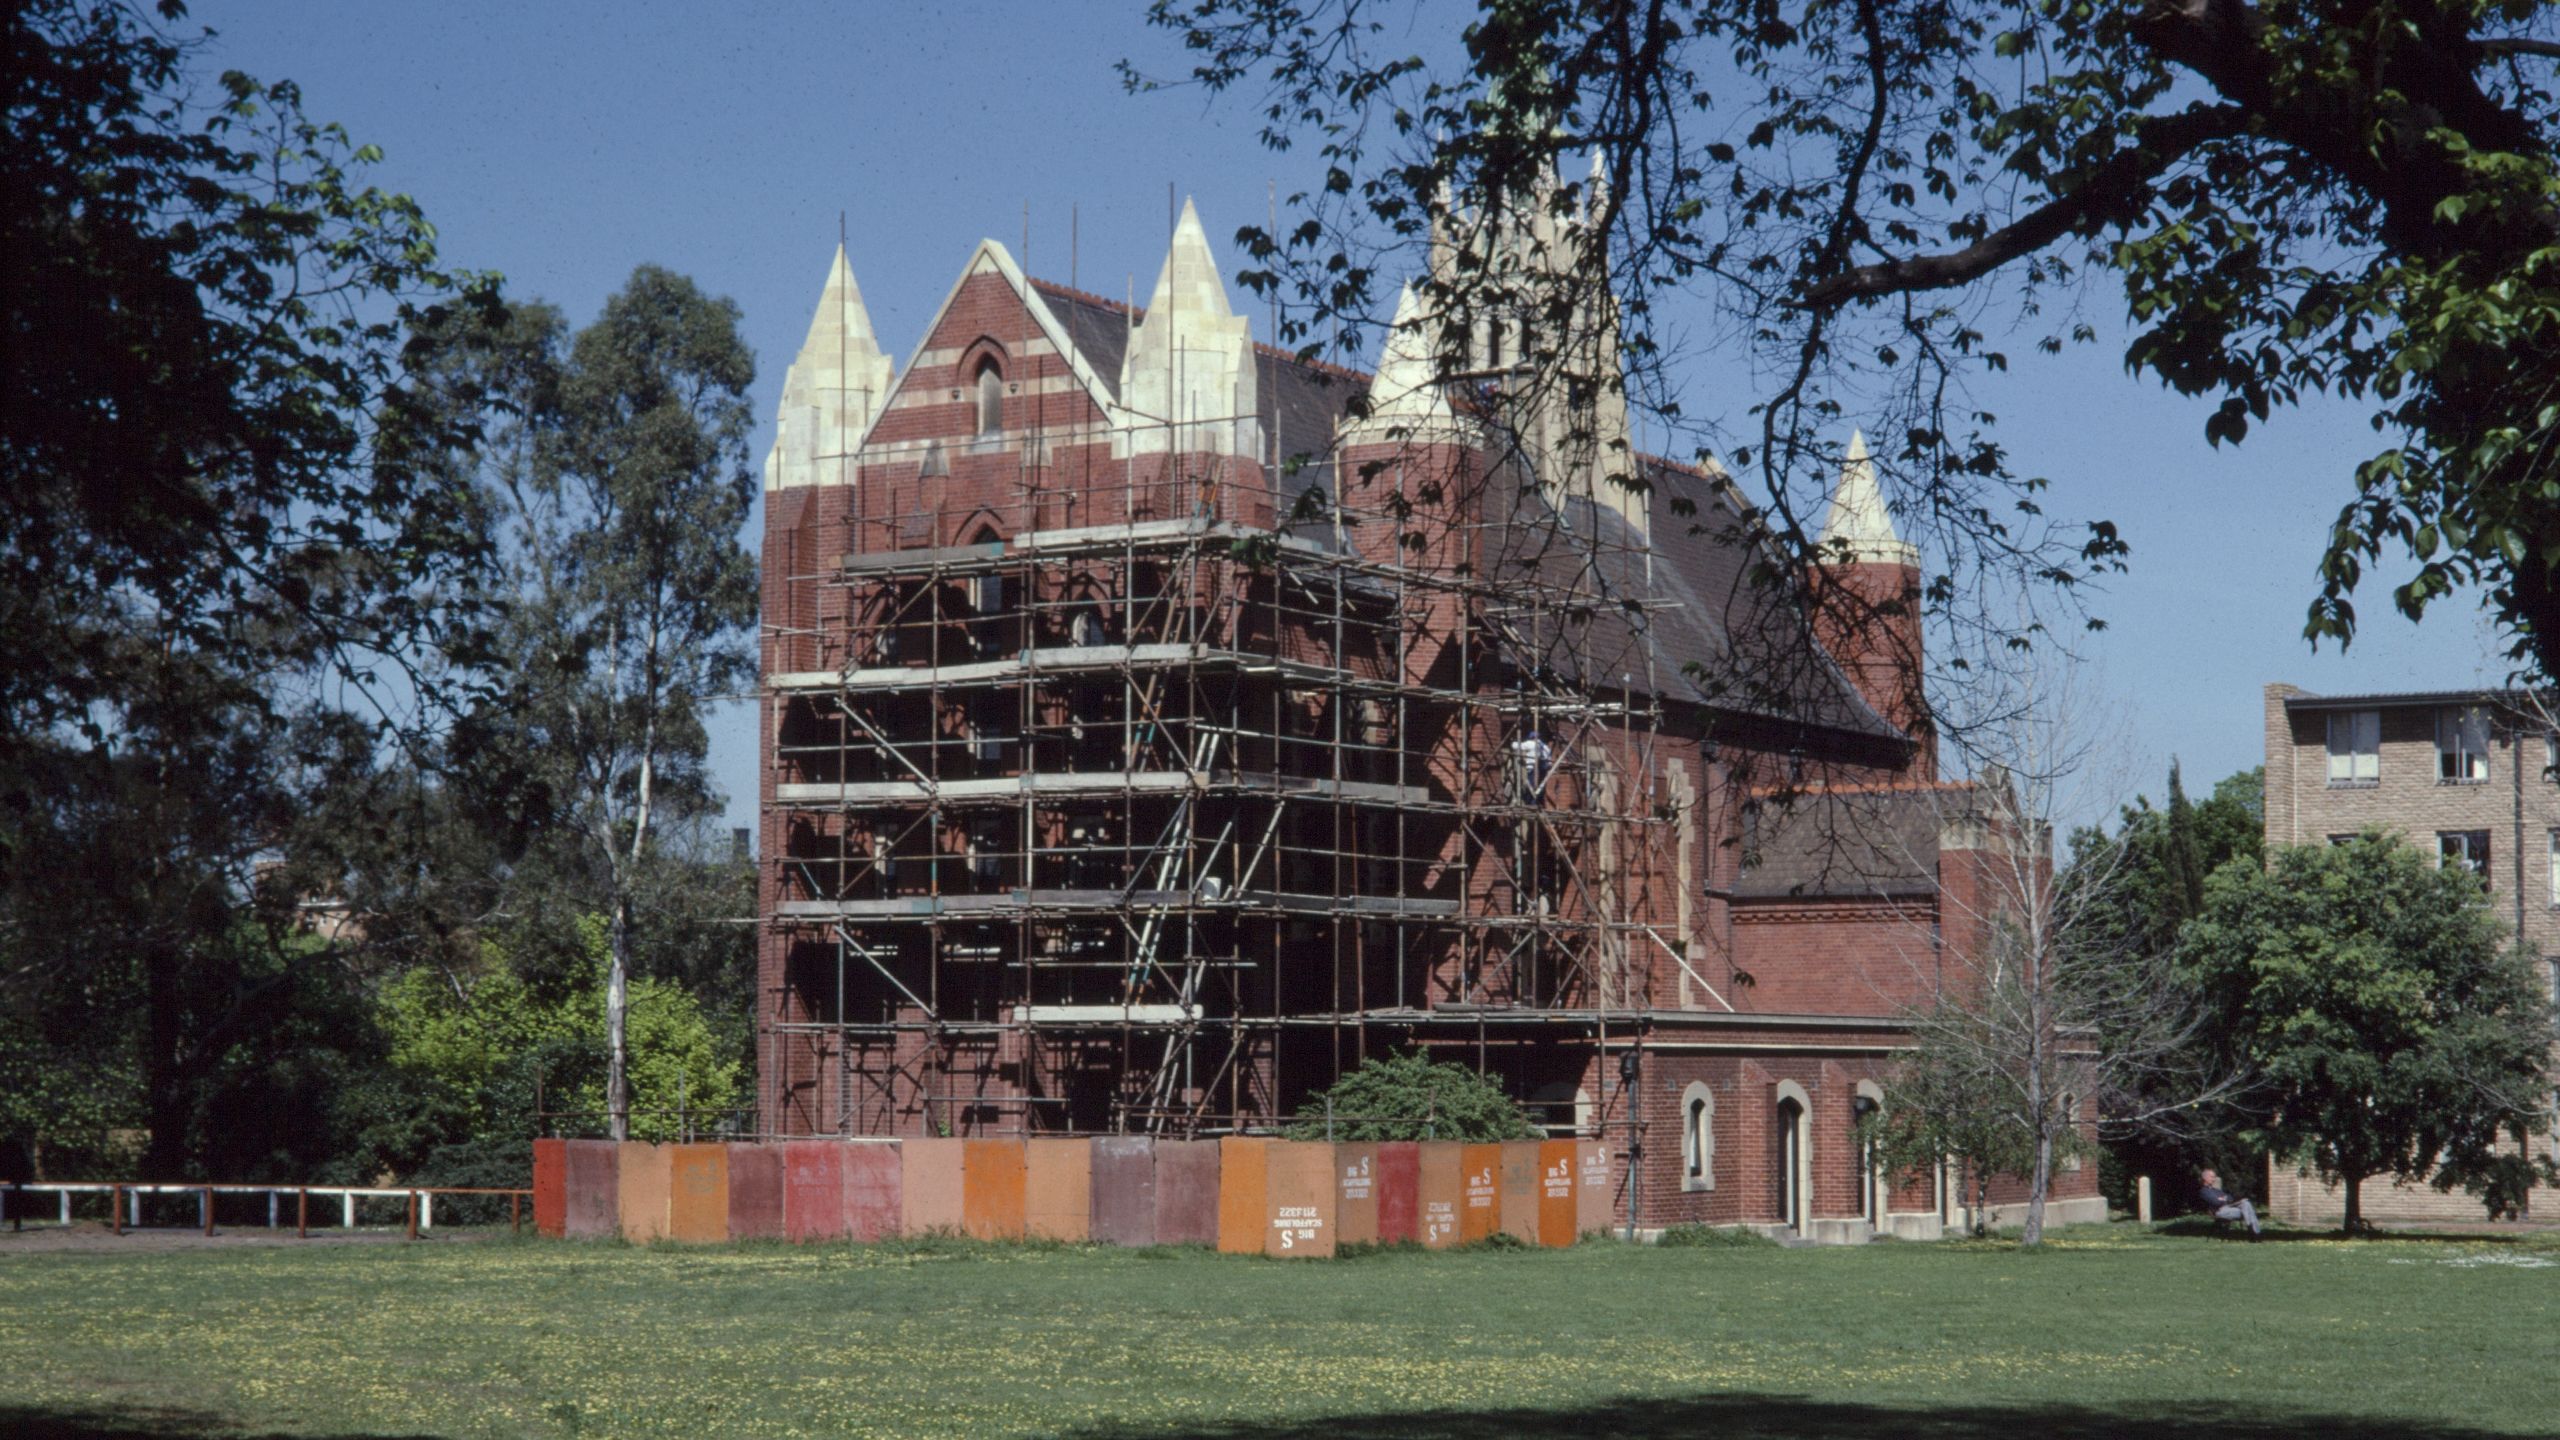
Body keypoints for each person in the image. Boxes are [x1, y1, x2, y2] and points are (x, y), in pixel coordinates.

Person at [2199, 1168, 2261, 1237]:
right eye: (2212, 1177)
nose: (2214, 1179)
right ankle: (2255, 1233)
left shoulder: (2216, 1190)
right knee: (2248, 1211)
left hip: (2228, 1208)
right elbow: (2216, 1202)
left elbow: (2230, 1198)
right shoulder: (2204, 1191)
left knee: (2246, 1203)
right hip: (2219, 1211)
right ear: (2205, 1177)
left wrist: (2222, 1199)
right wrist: (2223, 1199)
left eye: (2214, 1177)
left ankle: (2253, 1232)